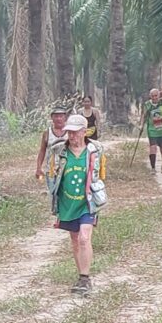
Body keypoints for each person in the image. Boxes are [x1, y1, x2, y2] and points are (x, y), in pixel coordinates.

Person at [46, 114, 106, 295]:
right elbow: (51, 174)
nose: (71, 136)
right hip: (67, 202)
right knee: (74, 239)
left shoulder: (95, 150)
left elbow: (100, 174)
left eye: (75, 132)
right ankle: (81, 276)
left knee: (84, 238)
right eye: (69, 132)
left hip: (87, 202)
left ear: (84, 131)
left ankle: (85, 278)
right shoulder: (59, 151)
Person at [35, 104, 70, 187]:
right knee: (53, 192)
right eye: (56, 116)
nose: (59, 119)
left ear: (65, 118)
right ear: (52, 118)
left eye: (61, 116)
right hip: (51, 169)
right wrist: (38, 168)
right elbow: (42, 151)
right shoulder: (47, 133)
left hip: (67, 168)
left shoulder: (70, 132)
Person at [142, 88, 162, 173]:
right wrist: (141, 125)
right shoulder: (147, 104)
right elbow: (144, 115)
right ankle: (153, 168)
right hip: (152, 130)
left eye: (156, 95)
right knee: (153, 148)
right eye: (152, 96)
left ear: (159, 95)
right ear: (150, 96)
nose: (154, 97)